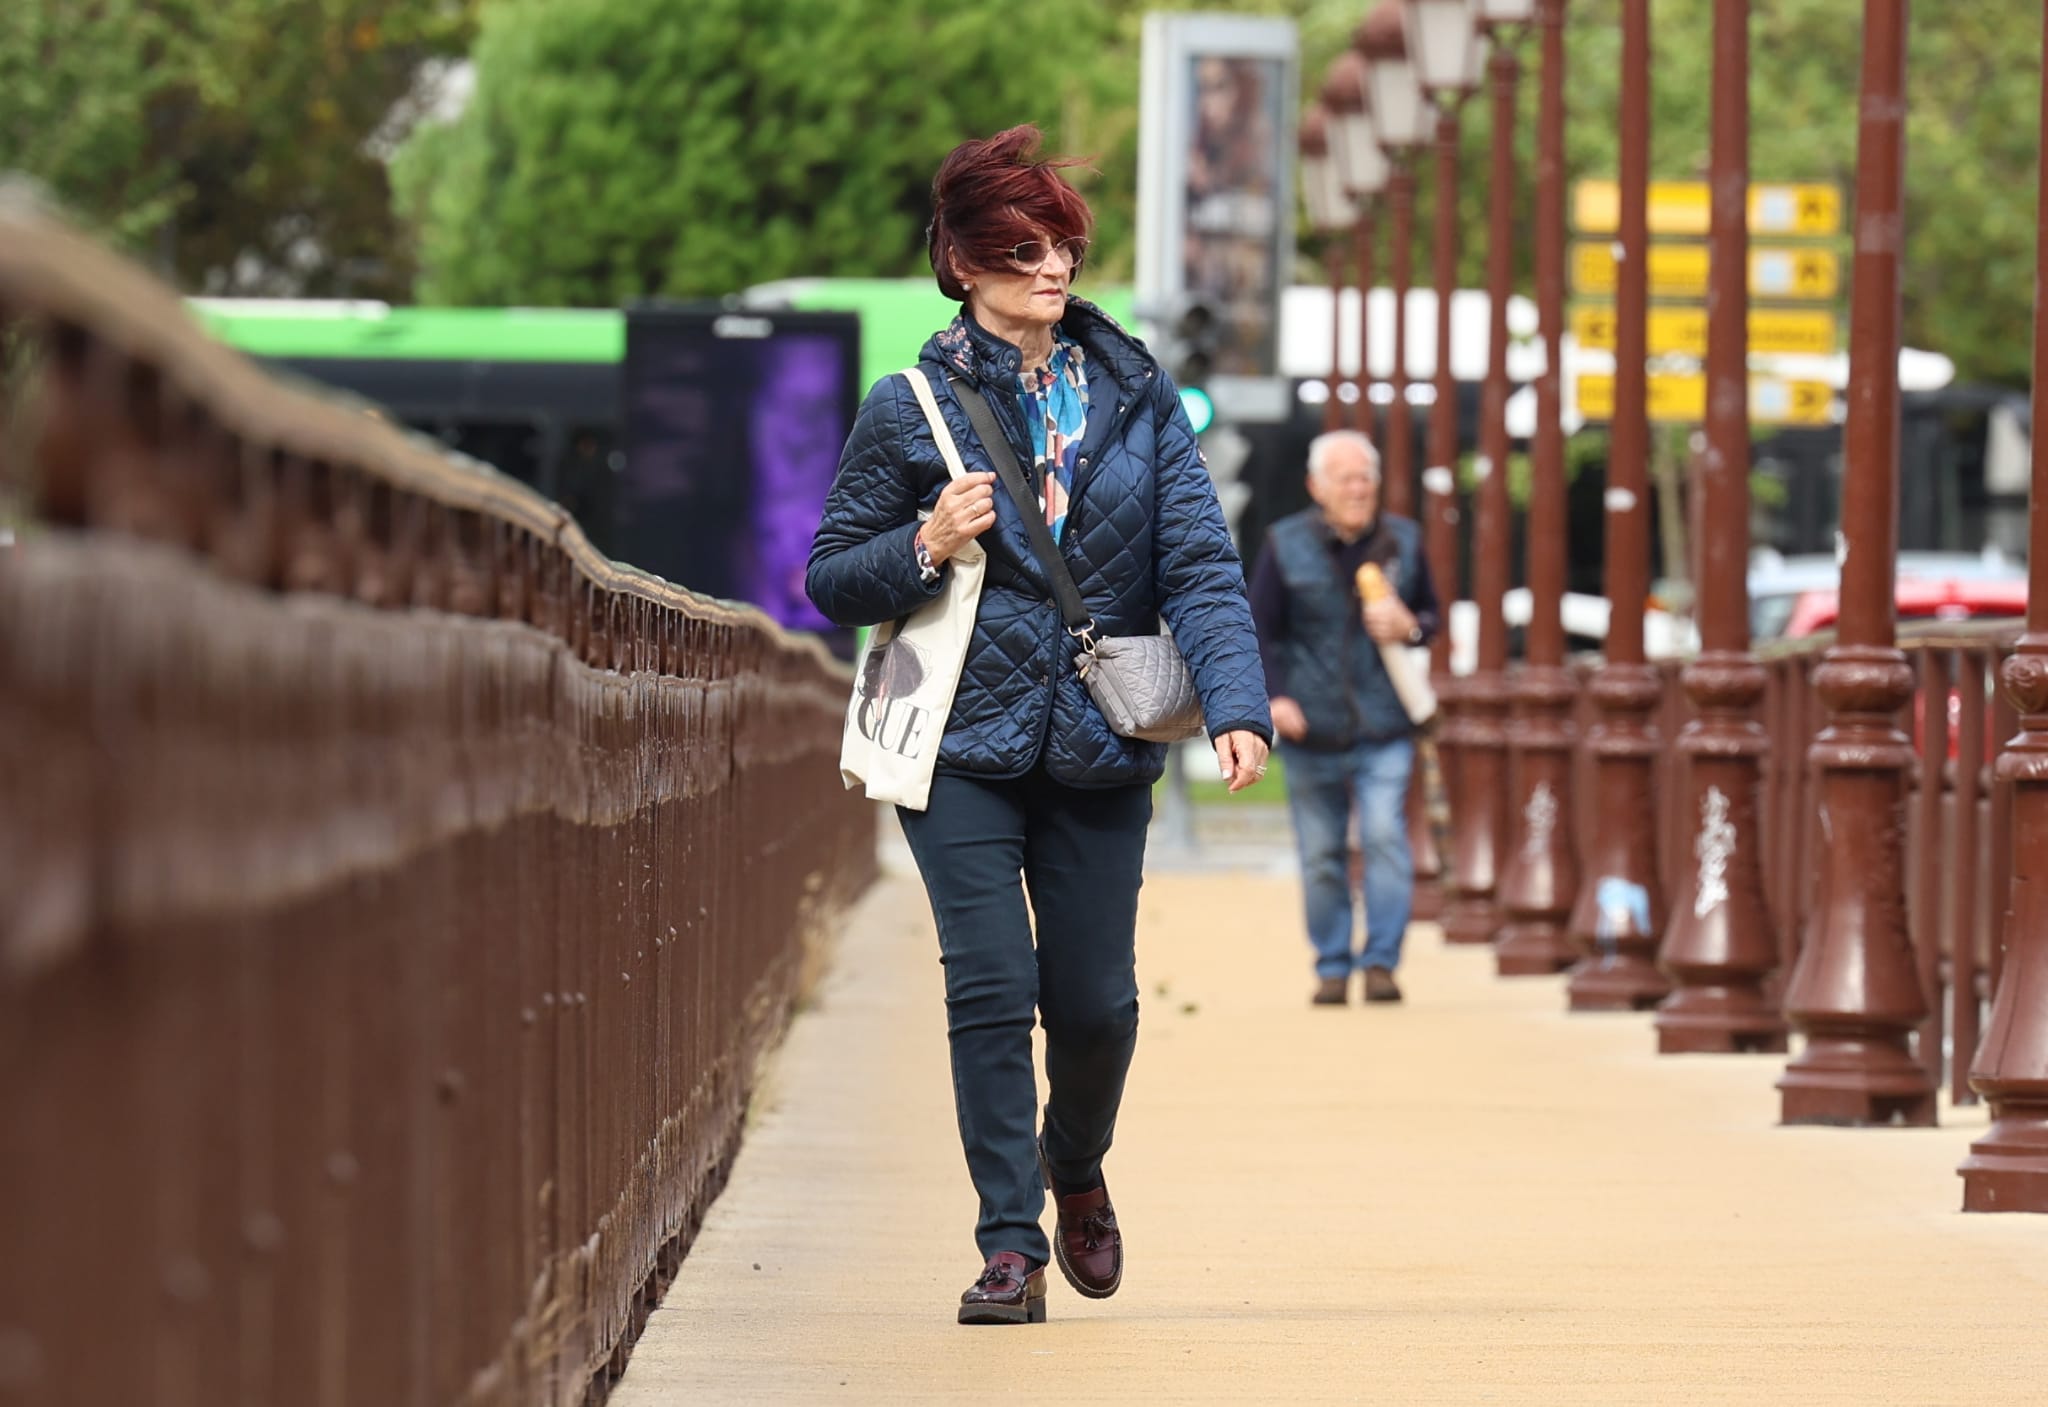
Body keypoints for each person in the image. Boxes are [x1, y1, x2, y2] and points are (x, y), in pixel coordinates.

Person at [806, 125, 1272, 1326]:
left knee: (1098, 1006)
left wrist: (1234, 704)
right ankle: (1007, 1245)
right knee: (990, 984)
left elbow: (1202, 567)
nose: (1050, 267)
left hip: (1100, 741)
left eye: (1060, 243)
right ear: (960, 264)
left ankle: (1076, 1164)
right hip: (956, 742)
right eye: (1019, 249)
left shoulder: (1133, 394)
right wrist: (925, 542)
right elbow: (828, 579)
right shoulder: (905, 408)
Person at [1248, 430, 1440, 1007]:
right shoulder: (1285, 545)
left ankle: (1381, 962)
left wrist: (1410, 625)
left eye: (1366, 478)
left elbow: (1432, 615)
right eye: (1346, 479)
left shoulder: (1404, 542)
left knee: (1384, 837)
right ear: (1316, 487)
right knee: (1323, 853)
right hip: (1312, 726)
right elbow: (1259, 632)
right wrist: (1276, 699)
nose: (1358, 489)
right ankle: (1332, 964)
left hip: (1385, 725)